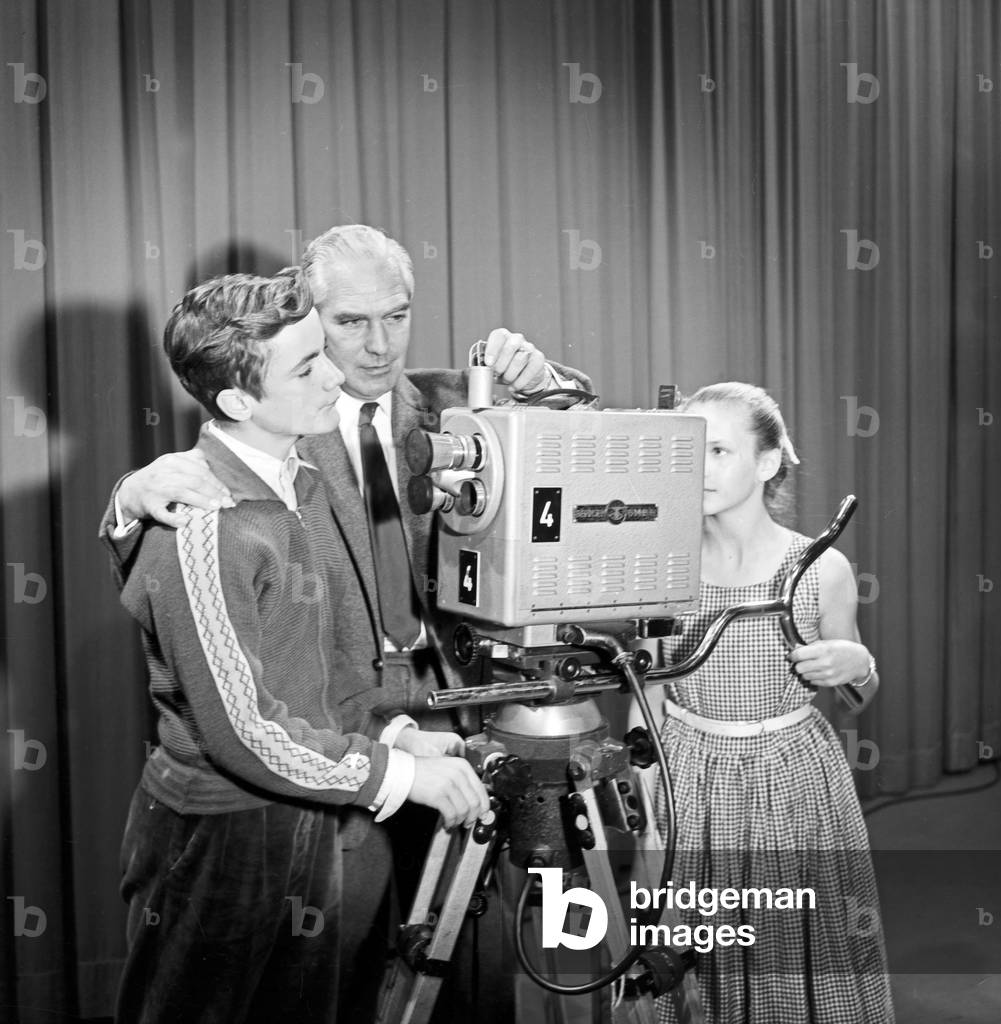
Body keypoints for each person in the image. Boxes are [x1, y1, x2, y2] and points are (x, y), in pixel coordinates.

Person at [100, 225, 594, 1021]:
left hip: (439, 712)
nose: (373, 348)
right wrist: (130, 499)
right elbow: (209, 593)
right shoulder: (259, 455)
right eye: (347, 327)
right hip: (317, 748)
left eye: (395, 317)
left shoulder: (451, 407)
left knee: (464, 961)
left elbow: (581, 440)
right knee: (339, 966)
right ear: (310, 324)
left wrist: (545, 385)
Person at [634, 382, 893, 1023]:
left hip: (794, 782)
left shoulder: (820, 569)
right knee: (690, 949)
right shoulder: (661, 567)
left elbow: (858, 696)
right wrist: (646, 810)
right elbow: (650, 696)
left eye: (719, 450)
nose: (700, 467)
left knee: (796, 945)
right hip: (688, 778)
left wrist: (857, 665)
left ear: (769, 462)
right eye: (691, 449)